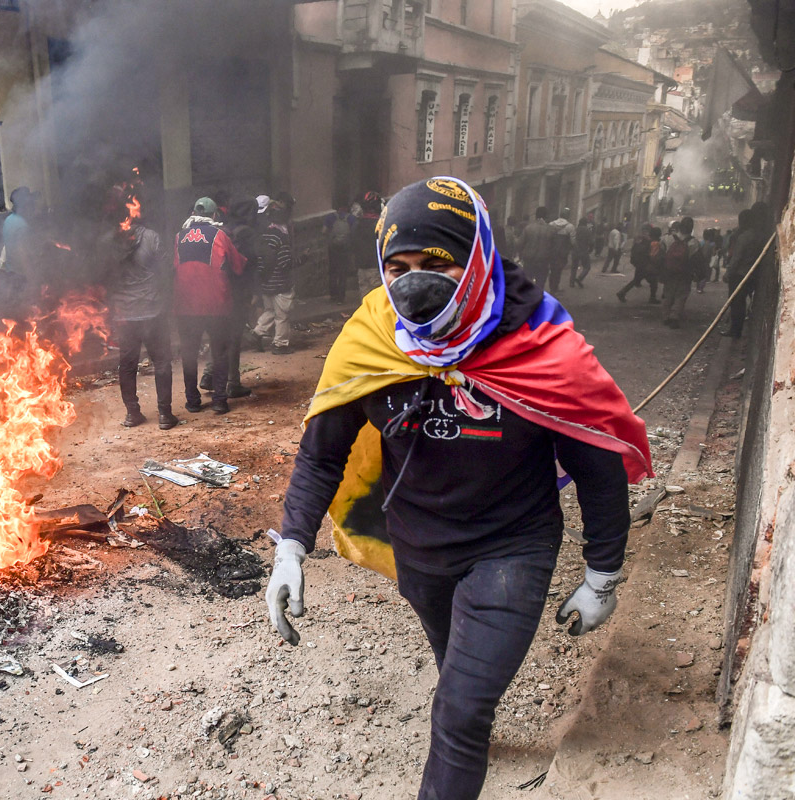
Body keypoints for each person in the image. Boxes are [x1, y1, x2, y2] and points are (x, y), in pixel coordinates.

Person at [265, 176, 651, 800]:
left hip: (511, 548)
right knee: (457, 677)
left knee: (458, 713)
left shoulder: (541, 347)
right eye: (398, 266)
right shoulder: (373, 338)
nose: (415, 282)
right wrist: (290, 548)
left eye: (437, 262)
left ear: (476, 258)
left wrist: (602, 574)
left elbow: (597, 463)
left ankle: (467, 724)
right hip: (418, 548)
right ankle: (471, 713)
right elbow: (321, 455)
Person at [97, 185, 176, 430]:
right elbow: (167, 269)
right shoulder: (151, 237)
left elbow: (103, 276)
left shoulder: (108, 242)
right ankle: (164, 415)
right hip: (152, 310)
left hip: (124, 315)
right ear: (135, 212)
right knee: (161, 361)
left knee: (128, 364)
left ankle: (132, 414)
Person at [172, 197, 245, 414]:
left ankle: (193, 401)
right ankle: (219, 401)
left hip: (185, 306)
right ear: (214, 216)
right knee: (220, 352)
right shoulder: (220, 235)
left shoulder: (179, 236)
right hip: (216, 306)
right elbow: (239, 267)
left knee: (189, 353)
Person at [200, 198, 261, 399]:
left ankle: (209, 374)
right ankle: (233, 383)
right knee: (234, 338)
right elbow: (250, 265)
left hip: (218, 292)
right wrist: (254, 292)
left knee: (218, 336)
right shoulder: (249, 234)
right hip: (239, 293)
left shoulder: (222, 231)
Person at [249, 193, 296, 355]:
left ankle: (257, 332)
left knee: (270, 311)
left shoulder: (265, 235)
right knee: (282, 315)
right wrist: (301, 259)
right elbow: (284, 263)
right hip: (281, 283)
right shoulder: (281, 237)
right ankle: (280, 344)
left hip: (266, 283)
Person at [725, 204, 775, 339]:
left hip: (739, 274)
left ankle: (735, 330)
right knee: (740, 303)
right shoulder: (761, 236)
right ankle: (736, 329)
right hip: (752, 274)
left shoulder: (744, 237)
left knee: (736, 303)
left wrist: (728, 272)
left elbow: (736, 258)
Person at [658, 217, 698, 328]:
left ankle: (665, 316)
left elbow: (661, 254)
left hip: (669, 271)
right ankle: (674, 316)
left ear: (679, 227)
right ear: (691, 228)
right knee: (681, 295)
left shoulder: (667, 239)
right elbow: (696, 260)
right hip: (685, 272)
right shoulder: (694, 242)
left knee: (668, 293)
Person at [616, 224, 661, 304]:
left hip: (640, 265)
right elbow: (652, 255)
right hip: (647, 266)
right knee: (653, 282)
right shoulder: (652, 242)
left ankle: (622, 292)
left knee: (636, 281)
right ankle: (652, 298)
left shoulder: (642, 240)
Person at [323, 202, 355, 305]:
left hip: (333, 249)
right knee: (343, 273)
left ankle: (333, 295)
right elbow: (353, 233)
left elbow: (323, 231)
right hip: (345, 249)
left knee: (333, 272)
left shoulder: (330, 217)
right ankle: (341, 298)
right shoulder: (352, 218)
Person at [353, 191, 383, 293]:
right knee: (378, 300)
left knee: (365, 300)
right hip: (375, 267)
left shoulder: (357, 224)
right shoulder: (379, 226)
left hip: (361, 267)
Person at [519, 206, 553, 286]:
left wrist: (520, 256)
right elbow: (553, 247)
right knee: (540, 284)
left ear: (536, 215)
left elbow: (519, 244)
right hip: (543, 261)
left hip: (529, 260)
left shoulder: (528, 228)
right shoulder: (551, 230)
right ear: (546, 216)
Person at [548, 208, 575, 294]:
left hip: (552, 251)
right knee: (558, 270)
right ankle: (554, 288)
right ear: (568, 216)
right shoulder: (570, 226)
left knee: (552, 269)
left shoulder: (551, 224)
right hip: (563, 252)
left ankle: (552, 287)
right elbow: (573, 241)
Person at [570, 217, 593, 288]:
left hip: (575, 251)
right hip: (584, 251)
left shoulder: (575, 229)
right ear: (586, 223)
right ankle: (580, 278)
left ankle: (571, 283)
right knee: (587, 266)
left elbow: (571, 239)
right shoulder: (588, 231)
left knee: (574, 267)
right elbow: (591, 242)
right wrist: (590, 249)